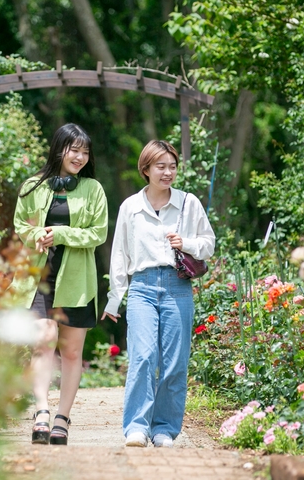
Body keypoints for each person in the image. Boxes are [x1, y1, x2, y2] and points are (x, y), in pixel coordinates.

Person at [101, 139, 215, 448]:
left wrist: (186, 243)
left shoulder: (188, 203)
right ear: (146, 169)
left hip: (178, 287)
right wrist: (115, 299)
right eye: (160, 167)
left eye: (172, 167)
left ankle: (165, 429)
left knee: (175, 363)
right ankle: (136, 427)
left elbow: (209, 243)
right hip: (142, 287)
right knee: (143, 356)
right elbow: (120, 255)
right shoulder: (131, 207)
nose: (167, 173)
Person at [11, 123, 108, 446]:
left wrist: (62, 234)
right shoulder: (33, 186)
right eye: (74, 149)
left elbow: (98, 233)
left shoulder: (93, 189)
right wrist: (37, 235)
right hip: (40, 277)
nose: (80, 157)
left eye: (85, 151)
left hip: (77, 279)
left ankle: (62, 418)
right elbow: (21, 224)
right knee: (44, 337)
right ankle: (41, 411)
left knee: (71, 350)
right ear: (59, 149)